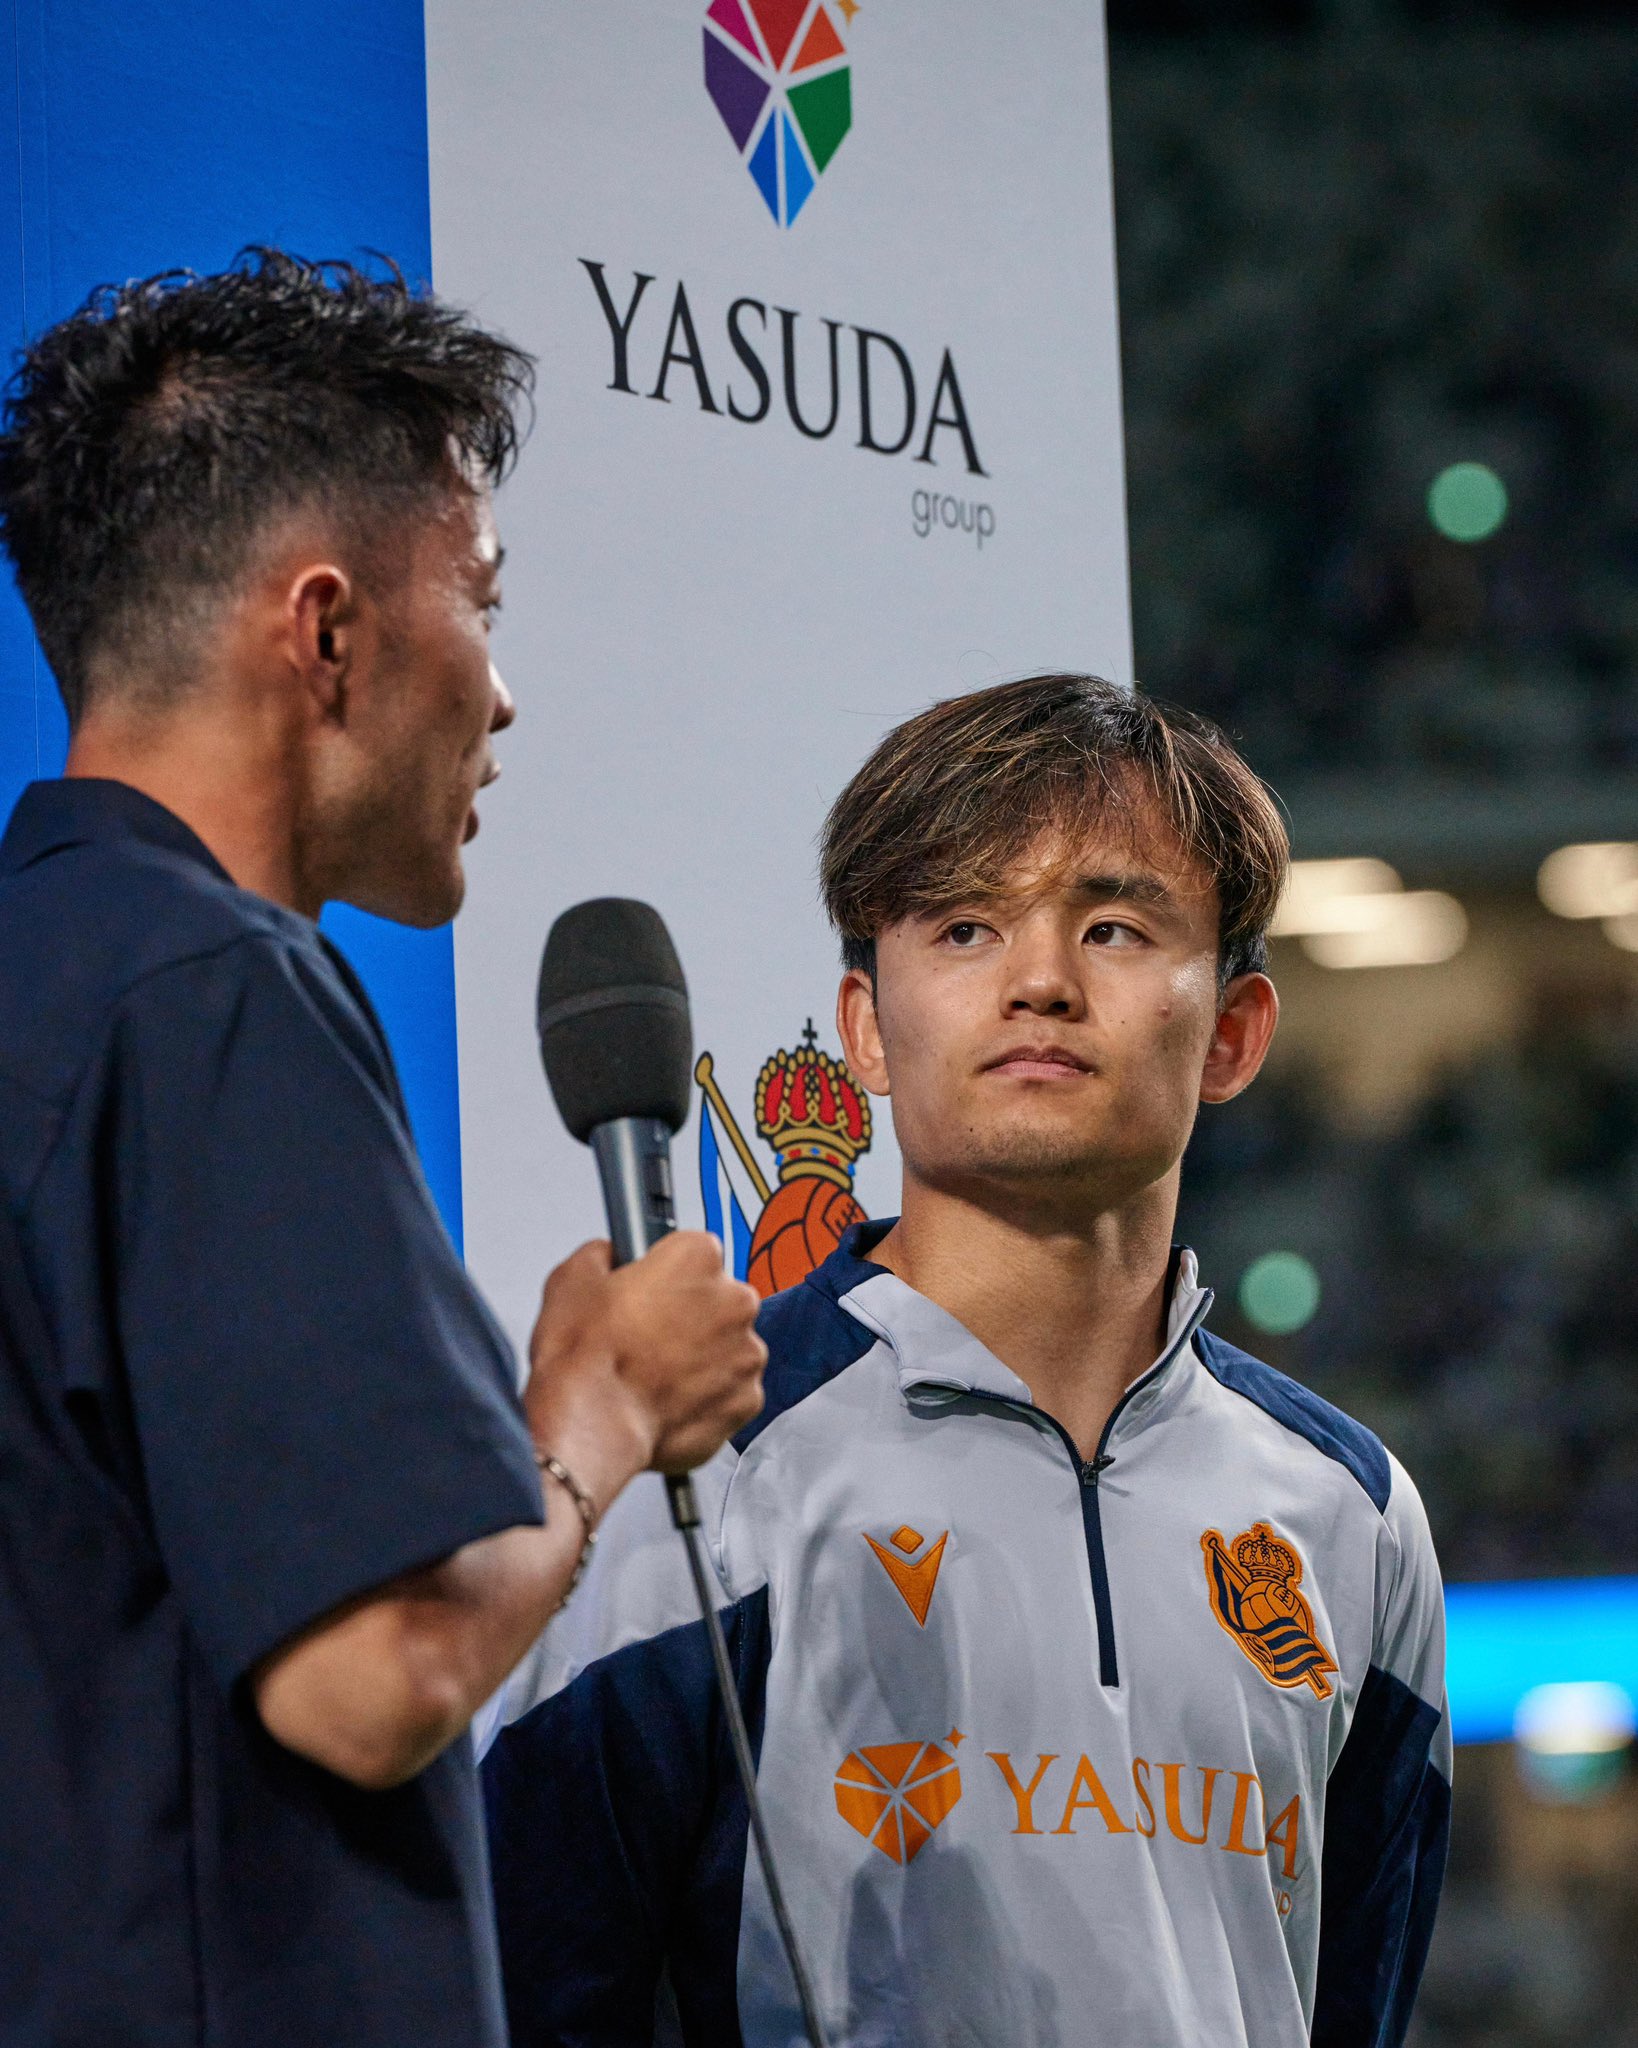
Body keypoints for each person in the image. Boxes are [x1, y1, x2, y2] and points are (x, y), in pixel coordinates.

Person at [0, 252, 766, 2048]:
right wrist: (602, 1397)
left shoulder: (51, 973)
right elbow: (375, 1673)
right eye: (482, 602)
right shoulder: (218, 993)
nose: (500, 697)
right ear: (327, 630)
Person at [482, 673, 1451, 2048]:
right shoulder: (701, 1461)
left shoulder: (1352, 1514)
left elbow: (1349, 1996)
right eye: (964, 927)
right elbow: (536, 1987)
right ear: (868, 1027)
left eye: (1113, 927)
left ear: (1231, 1032)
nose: (1041, 982)